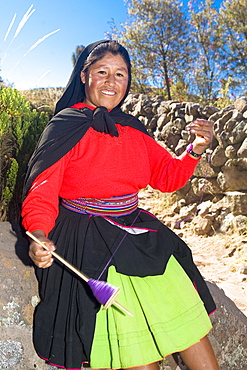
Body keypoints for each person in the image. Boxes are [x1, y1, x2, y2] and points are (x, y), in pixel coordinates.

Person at [22, 40, 220, 370]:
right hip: (89, 243)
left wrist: (196, 149)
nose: (112, 82)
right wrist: (38, 234)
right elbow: (42, 191)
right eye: (102, 72)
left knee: (190, 329)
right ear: (84, 76)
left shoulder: (132, 129)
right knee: (135, 352)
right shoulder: (64, 127)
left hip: (138, 233)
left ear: (128, 82)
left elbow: (167, 177)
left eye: (120, 74)